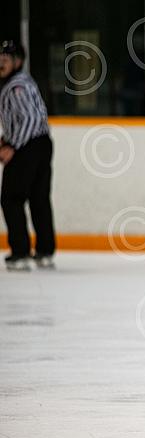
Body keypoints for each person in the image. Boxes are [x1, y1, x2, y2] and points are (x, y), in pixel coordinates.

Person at [0, 40, 55, 271]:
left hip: (29, 147)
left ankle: (21, 252)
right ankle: (44, 251)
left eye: (6, 59)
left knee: (11, 198)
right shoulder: (25, 82)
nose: (1, 62)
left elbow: (30, 119)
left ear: (18, 61)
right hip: (42, 144)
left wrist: (12, 144)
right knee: (38, 199)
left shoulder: (16, 86)